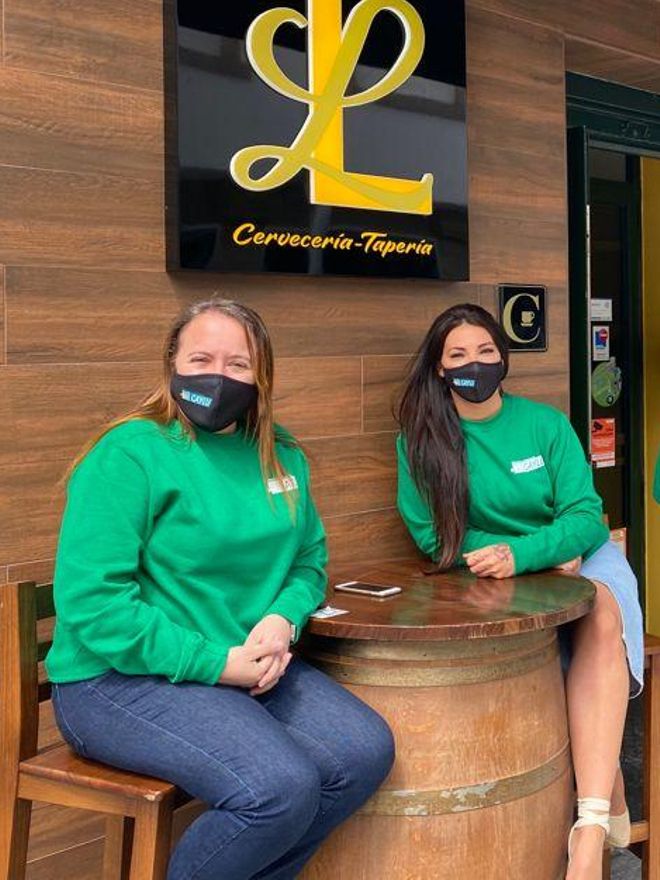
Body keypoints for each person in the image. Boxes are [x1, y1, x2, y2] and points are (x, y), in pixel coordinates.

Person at [47, 297, 394, 880]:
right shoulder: (130, 453)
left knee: (364, 752)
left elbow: (309, 562)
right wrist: (218, 663)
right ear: (172, 366)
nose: (218, 375)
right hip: (112, 681)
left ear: (262, 377)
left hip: (243, 665)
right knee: (279, 789)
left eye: (238, 364)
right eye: (201, 358)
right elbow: (93, 604)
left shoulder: (280, 454)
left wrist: (283, 619)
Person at [395, 303, 643, 880]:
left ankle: (588, 827)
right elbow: (435, 536)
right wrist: (522, 557)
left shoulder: (545, 424)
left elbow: (588, 515)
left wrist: (535, 550)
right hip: (499, 569)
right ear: (438, 367)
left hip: (578, 558)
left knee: (601, 611)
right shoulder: (420, 439)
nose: (473, 364)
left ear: (502, 358)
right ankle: (616, 809)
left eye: (485, 351)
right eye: (457, 354)